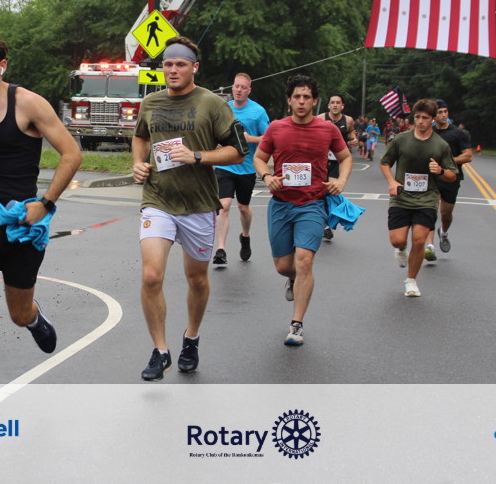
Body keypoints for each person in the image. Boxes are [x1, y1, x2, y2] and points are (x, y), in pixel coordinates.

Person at [0, 30, 82, 425]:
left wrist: (46, 204)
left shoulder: (28, 103)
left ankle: (34, 319)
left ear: (2, 65)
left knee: (17, 312)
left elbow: (71, 153)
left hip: (23, 223)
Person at [132, 36, 245, 380]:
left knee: (196, 279)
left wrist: (197, 155)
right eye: (168, 64)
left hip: (198, 204)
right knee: (151, 275)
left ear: (194, 67)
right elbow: (141, 136)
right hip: (158, 200)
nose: (173, 70)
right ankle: (160, 350)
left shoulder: (211, 103)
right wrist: (138, 162)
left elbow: (237, 151)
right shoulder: (151, 102)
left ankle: (191, 338)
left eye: (180, 64)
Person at [253, 75, 352, 346]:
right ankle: (293, 279)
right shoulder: (276, 128)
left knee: (305, 260)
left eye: (306, 97)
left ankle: (296, 325)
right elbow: (259, 157)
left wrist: (341, 180)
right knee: (284, 266)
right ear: (289, 100)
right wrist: (266, 176)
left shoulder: (327, 129)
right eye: (297, 96)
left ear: (314, 101)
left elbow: (345, 157)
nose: (301, 101)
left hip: (312, 204)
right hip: (281, 204)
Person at [379, 100, 458, 297]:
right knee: (397, 240)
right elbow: (385, 162)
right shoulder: (401, 139)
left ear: (432, 120)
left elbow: (452, 175)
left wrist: (440, 171)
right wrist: (391, 181)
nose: (420, 121)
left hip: (427, 198)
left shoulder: (441, 145)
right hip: (401, 196)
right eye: (417, 117)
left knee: (419, 239)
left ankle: (411, 280)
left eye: (425, 118)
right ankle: (401, 249)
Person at [213, 73, 270, 264]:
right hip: (224, 165)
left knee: (244, 208)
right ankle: (221, 249)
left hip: (247, 167)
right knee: (224, 205)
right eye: (236, 86)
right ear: (232, 87)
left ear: (249, 90)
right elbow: (213, 132)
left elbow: (268, 138)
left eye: (243, 87)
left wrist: (250, 138)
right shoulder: (223, 108)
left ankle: (245, 236)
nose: (239, 90)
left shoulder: (258, 111)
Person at [423, 99, 473, 260]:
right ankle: (430, 247)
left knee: (446, 214)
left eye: (445, 112)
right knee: (430, 210)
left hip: (451, 177)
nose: (444, 115)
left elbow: (468, 155)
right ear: (433, 115)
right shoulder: (428, 132)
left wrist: (448, 162)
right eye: (440, 112)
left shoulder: (458, 133)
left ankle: (443, 232)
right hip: (432, 177)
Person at [317, 94, 357, 240]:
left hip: (337, 161)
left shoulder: (348, 120)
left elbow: (351, 132)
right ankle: (325, 224)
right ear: (328, 105)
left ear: (342, 106)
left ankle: (330, 221)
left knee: (332, 191)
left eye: (338, 103)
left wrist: (354, 139)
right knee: (320, 192)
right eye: (332, 102)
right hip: (321, 160)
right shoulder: (320, 118)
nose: (335, 105)